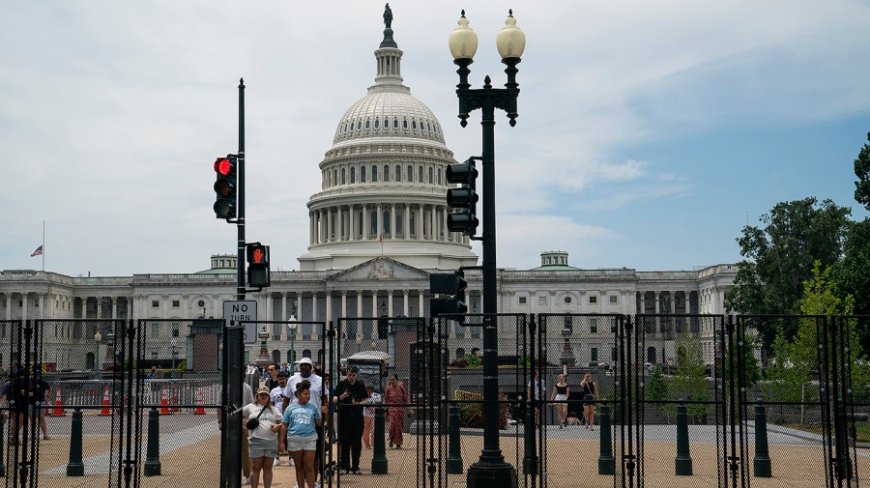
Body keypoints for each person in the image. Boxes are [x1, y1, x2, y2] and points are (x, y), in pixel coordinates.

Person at [284, 358, 324, 483]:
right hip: (296, 420)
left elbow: (325, 399)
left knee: (315, 455)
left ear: (311, 367)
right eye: (302, 365)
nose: (305, 367)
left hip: (314, 418)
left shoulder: (319, 380)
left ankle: (314, 482)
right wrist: (286, 416)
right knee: (299, 460)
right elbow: (286, 399)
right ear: (299, 367)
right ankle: (300, 482)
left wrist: (325, 418)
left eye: (307, 365)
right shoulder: (292, 379)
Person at [242, 386, 282, 488]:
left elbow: (283, 422)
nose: (263, 396)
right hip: (256, 442)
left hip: (271, 442)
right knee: (256, 468)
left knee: (268, 468)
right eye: (261, 394)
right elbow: (238, 416)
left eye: (266, 395)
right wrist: (244, 426)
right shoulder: (250, 407)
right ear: (257, 396)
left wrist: (278, 426)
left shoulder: (274, 409)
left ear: (269, 397)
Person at [333, 365, 367, 474]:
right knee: (344, 442)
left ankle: (355, 467)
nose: (351, 377)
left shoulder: (360, 385)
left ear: (357, 375)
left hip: (357, 418)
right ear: (346, 374)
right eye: (349, 375)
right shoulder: (341, 384)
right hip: (344, 417)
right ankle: (344, 466)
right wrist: (342, 396)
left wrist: (358, 403)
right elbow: (334, 399)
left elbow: (366, 400)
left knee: (356, 443)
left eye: (353, 375)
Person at [269, 372, 290, 467]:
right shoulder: (274, 391)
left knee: (289, 437)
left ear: (286, 379)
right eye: (279, 379)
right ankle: (276, 457)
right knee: (276, 438)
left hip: (289, 416)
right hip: (277, 417)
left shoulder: (289, 389)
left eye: (283, 379)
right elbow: (271, 404)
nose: (281, 381)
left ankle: (291, 457)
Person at [383, 373, 408, 448]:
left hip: (400, 410)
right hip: (392, 409)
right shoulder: (388, 389)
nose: (392, 381)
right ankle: (391, 439)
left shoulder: (401, 388)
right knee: (392, 425)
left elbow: (405, 398)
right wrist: (385, 408)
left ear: (397, 380)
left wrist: (409, 408)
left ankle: (398, 443)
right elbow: (385, 399)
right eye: (391, 380)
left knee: (399, 426)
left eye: (393, 380)